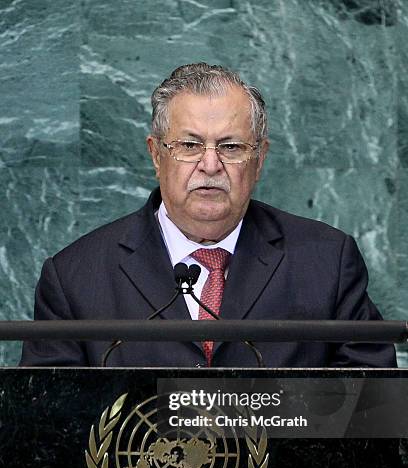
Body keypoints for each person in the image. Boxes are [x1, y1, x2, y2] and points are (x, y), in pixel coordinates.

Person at [20, 63, 396, 368]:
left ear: (259, 159)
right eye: (189, 145)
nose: (210, 164)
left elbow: (372, 409)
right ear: (156, 154)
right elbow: (50, 428)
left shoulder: (326, 261)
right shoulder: (75, 277)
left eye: (231, 146)